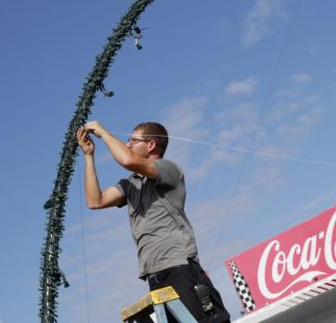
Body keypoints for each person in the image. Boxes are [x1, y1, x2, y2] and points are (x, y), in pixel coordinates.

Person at [77, 120, 230, 323]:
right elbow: (95, 201)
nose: (128, 144)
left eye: (133, 140)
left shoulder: (169, 169)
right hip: (154, 276)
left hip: (180, 268)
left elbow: (128, 160)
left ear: (151, 145)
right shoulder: (130, 184)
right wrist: (89, 156)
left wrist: (103, 133)